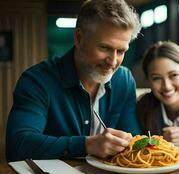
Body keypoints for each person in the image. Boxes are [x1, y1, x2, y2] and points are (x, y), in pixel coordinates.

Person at [6, 0, 142, 161]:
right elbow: (18, 145)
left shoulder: (124, 80)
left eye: (121, 51)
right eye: (104, 48)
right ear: (78, 38)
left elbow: (133, 139)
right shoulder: (36, 80)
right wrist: (87, 145)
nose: (113, 61)